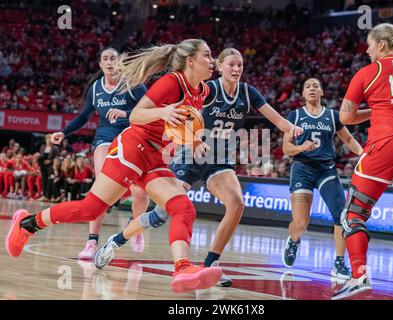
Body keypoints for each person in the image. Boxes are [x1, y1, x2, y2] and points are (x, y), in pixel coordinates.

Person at [5, 39, 222, 293]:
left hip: (155, 158)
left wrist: (194, 140)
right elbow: (136, 116)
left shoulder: (203, 91)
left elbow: (181, 126)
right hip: (132, 149)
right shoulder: (171, 82)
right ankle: (27, 224)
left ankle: (183, 268)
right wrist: (162, 113)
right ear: (190, 61)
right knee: (91, 209)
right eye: (207, 55)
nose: (212, 60)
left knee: (183, 207)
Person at [93, 47, 303, 287]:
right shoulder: (207, 89)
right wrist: (132, 114)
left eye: (240, 65)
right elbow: (164, 108)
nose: (236, 69)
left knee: (236, 204)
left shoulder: (248, 92)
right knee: (162, 214)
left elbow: (275, 118)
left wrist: (291, 129)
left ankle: (211, 263)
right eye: (231, 65)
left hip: (219, 159)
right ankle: (117, 241)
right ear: (220, 67)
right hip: (191, 154)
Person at [332, 23, 393, 300]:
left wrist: (378, 109)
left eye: (369, 44)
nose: (366, 49)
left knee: (352, 215)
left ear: (382, 46)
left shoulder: (368, 72)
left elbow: (345, 117)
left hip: (384, 144)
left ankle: (359, 275)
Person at [50, 48, 149, 258]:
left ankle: (136, 226)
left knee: (140, 192)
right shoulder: (96, 88)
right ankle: (91, 242)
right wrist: (64, 132)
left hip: (131, 137)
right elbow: (84, 116)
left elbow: (150, 110)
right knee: (100, 189)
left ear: (119, 62)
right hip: (105, 138)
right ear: (100, 65)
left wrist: (126, 113)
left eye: (113, 58)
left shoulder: (132, 84)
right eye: (105, 58)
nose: (110, 62)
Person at [281, 78, 363, 280]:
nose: (311, 88)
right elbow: (286, 148)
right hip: (302, 169)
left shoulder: (332, 116)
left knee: (340, 215)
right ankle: (293, 240)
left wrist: (363, 154)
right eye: (307, 86)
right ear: (302, 93)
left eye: (315, 86)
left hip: (326, 170)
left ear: (322, 92)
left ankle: (338, 263)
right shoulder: (295, 115)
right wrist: (301, 147)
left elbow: (349, 140)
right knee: (300, 223)